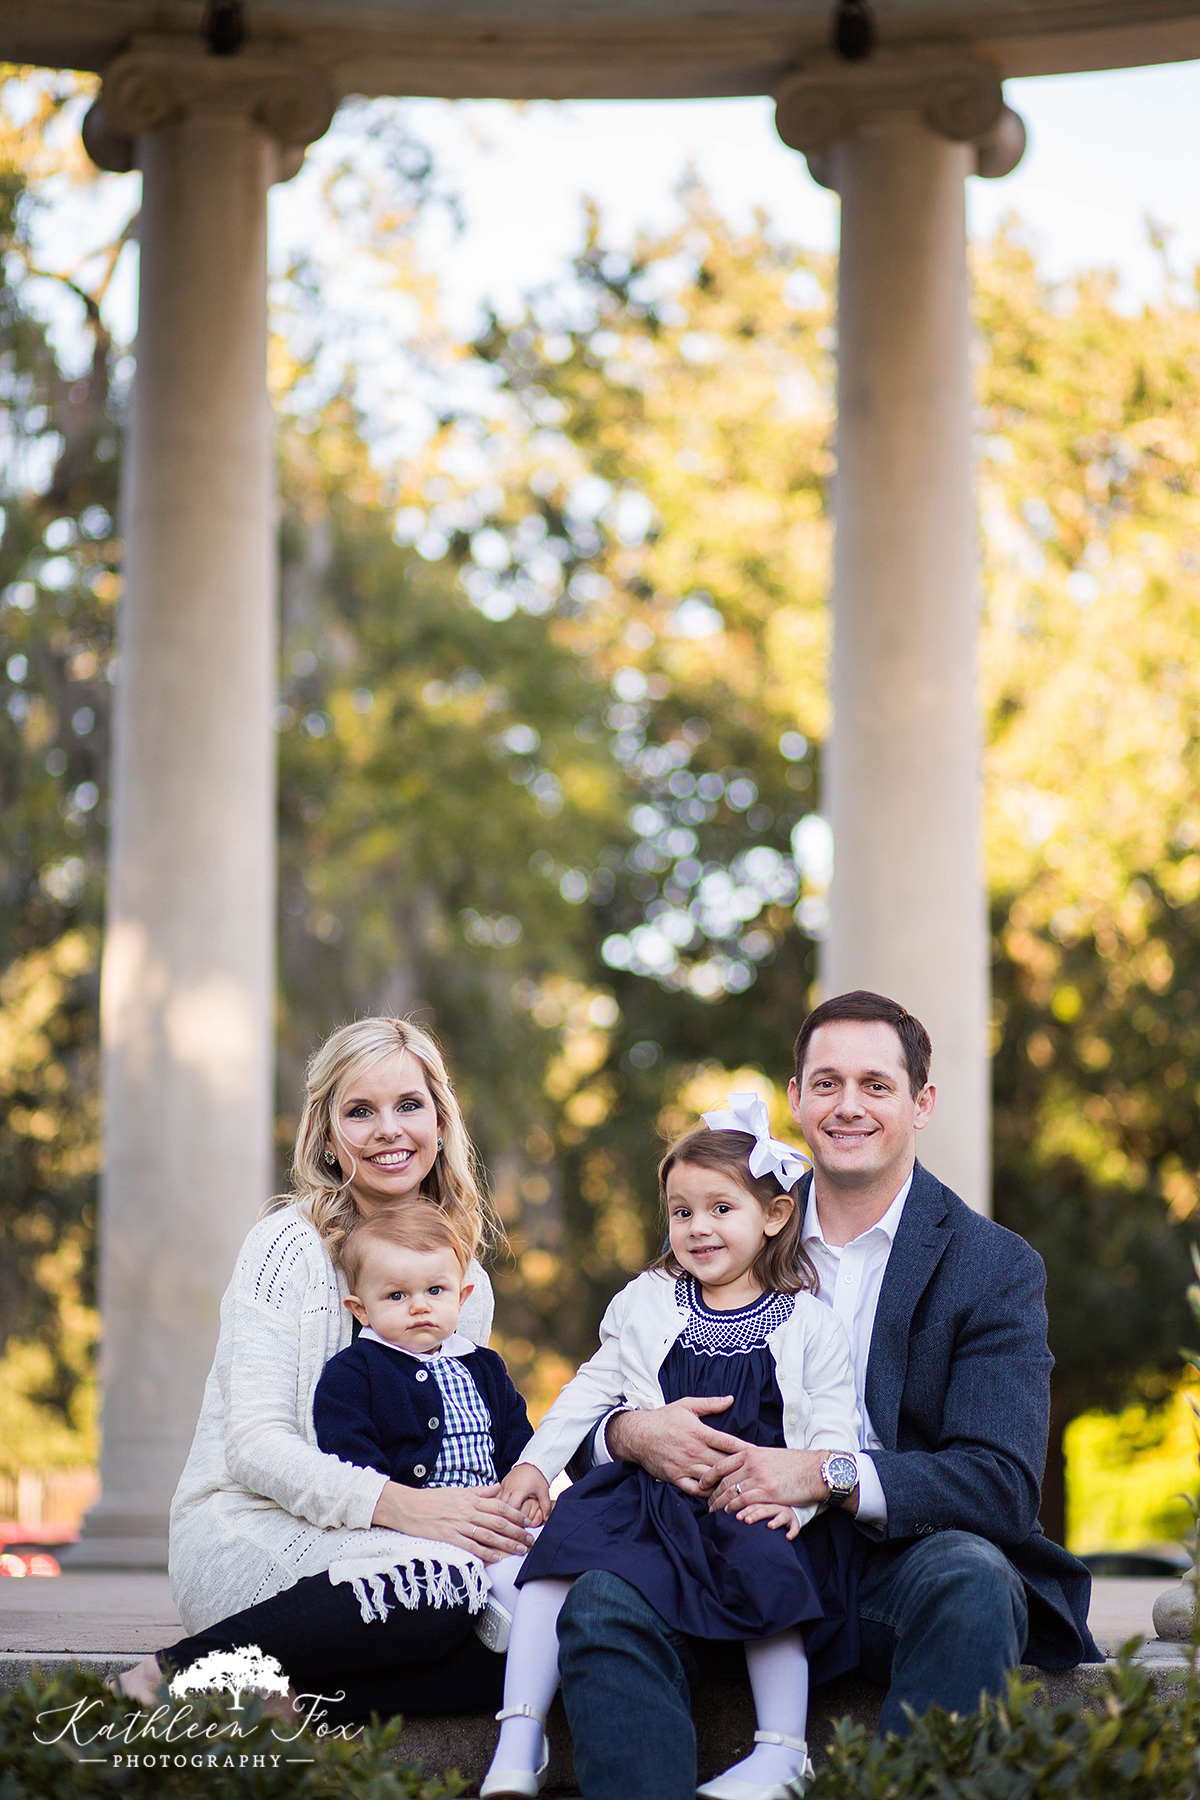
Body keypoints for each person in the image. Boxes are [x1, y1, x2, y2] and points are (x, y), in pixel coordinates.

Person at [554, 991, 1101, 1800]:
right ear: (796, 1098)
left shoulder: (993, 1266)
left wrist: (823, 1474)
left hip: (892, 1563)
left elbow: (1000, 1483)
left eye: (876, 1085)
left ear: (922, 1102)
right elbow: (595, 1404)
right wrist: (633, 1435)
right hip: (711, 1544)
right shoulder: (724, 1221)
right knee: (601, 1602)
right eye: (827, 1083)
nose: (848, 1106)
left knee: (974, 1579)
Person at [112, 1016, 532, 1719]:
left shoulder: (466, 1281)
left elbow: (462, 1444)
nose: (388, 1130)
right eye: (360, 1112)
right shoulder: (286, 1248)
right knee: (435, 1591)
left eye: (408, 1106)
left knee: (538, 1633)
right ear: (329, 1135)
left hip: (407, 1538)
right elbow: (253, 1447)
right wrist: (403, 1510)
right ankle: (168, 1677)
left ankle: (292, 1705)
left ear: (439, 1120)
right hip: (250, 1527)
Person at [478, 1105, 862, 1800]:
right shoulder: (650, 1300)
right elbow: (589, 1390)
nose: (697, 1227)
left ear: (774, 1216)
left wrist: (797, 1507)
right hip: (648, 1500)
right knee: (557, 1557)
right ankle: (519, 1734)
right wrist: (535, 1464)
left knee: (769, 1568)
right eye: (681, 1212)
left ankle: (782, 1752)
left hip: (749, 1498)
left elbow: (833, 1435)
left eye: (720, 1207)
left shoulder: (810, 1323)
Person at [311, 1207, 536, 1644]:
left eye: (435, 1290)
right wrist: (406, 1514)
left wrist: (524, 1488)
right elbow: (350, 1455)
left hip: (492, 1513)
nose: (419, 1307)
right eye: (396, 1296)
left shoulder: (483, 1365)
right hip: (416, 1527)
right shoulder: (354, 1373)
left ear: (462, 1296)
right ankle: (495, 1620)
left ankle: (536, 1625)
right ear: (361, 1309)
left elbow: (516, 1440)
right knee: (447, 1576)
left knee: (539, 1562)